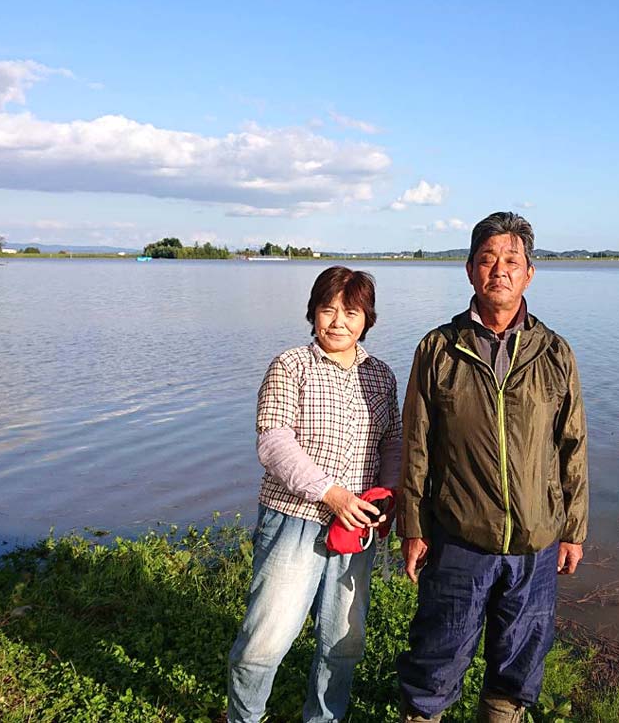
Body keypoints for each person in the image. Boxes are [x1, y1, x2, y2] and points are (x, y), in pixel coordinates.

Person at [396, 212, 589, 723]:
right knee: (436, 658)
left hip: (537, 541)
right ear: (469, 270)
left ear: (529, 273)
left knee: (519, 666)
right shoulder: (439, 348)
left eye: (511, 261)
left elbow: (572, 446)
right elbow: (417, 444)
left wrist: (573, 529)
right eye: (487, 260)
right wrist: (413, 527)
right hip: (459, 536)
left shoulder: (554, 352)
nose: (498, 270)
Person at [227, 266, 401, 723]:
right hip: (294, 519)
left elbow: (393, 443)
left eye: (351, 312)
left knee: (343, 643)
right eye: (328, 310)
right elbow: (273, 441)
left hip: (356, 528)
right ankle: (245, 717)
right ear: (313, 313)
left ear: (367, 319)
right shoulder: (290, 365)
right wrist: (331, 494)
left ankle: (324, 717)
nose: (338, 322)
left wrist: (388, 497)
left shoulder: (381, 376)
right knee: (263, 643)